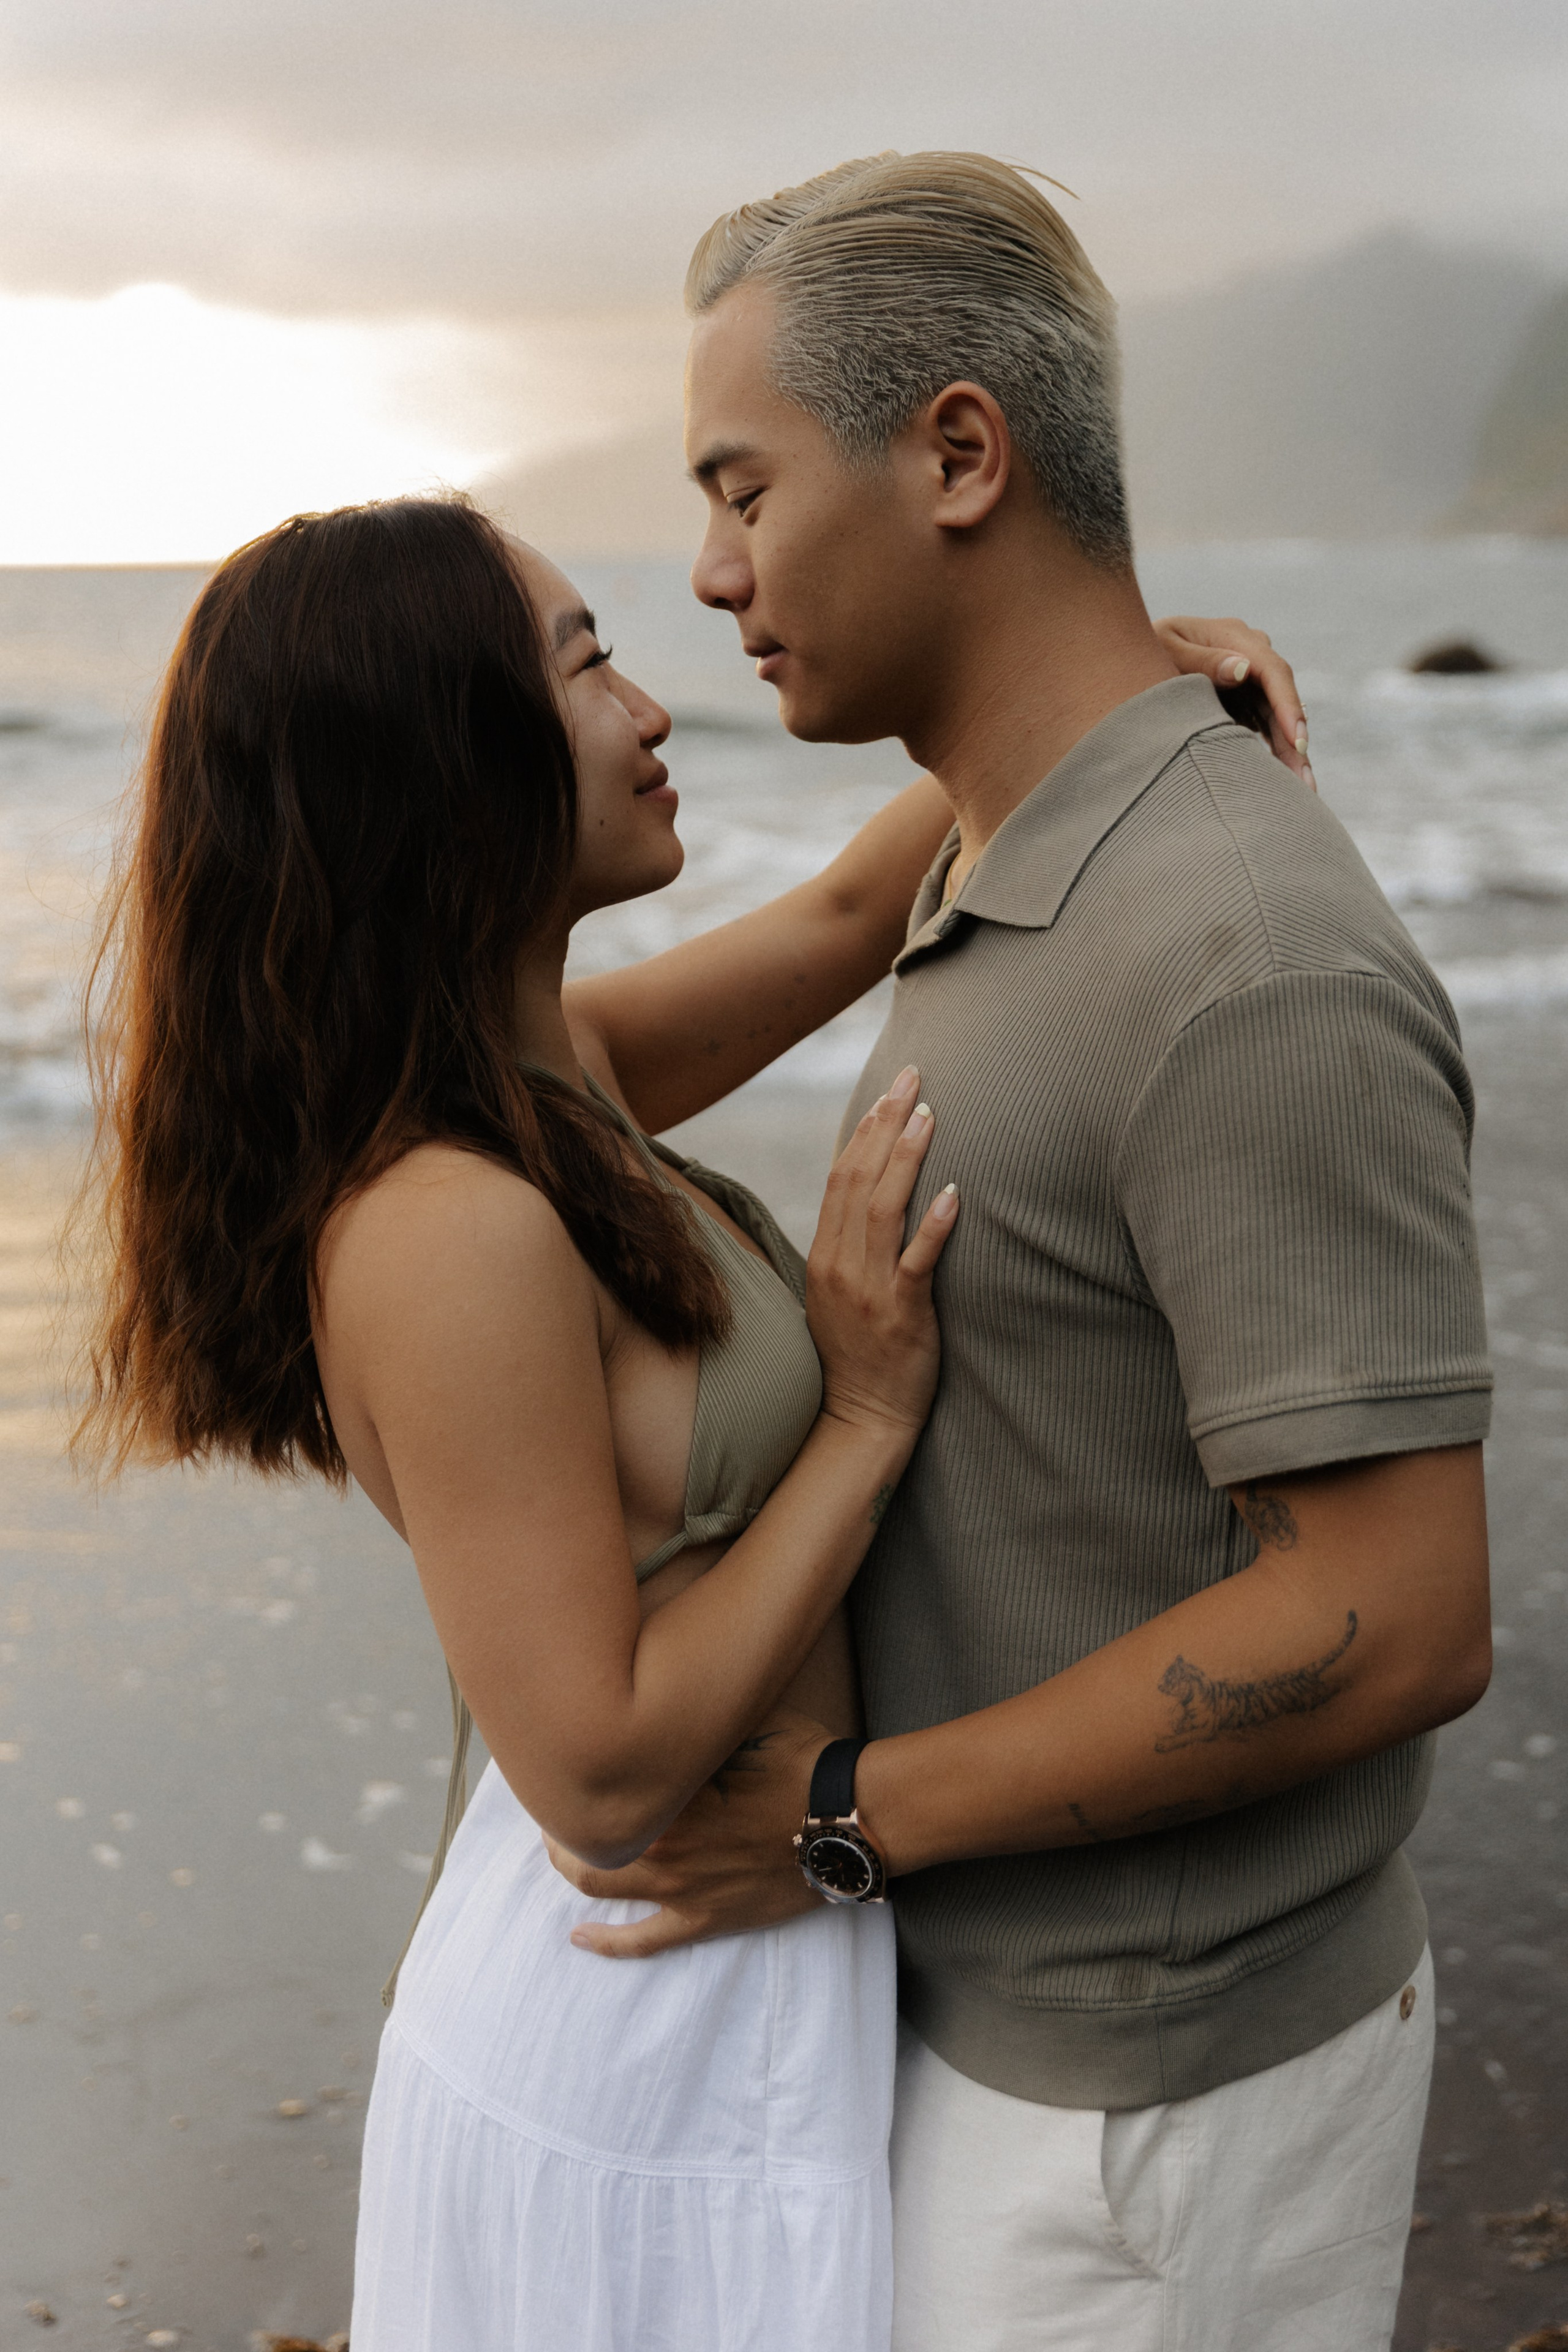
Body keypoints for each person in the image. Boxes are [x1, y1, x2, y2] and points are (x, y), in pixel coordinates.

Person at [74, 489, 1303, 2348]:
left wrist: (1112, 697)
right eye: (585, 668)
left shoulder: (547, 1078)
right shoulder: (446, 1222)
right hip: (637, 2011)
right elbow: (602, 1771)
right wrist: (866, 1414)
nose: (654, 707)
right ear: (447, 759)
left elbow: (836, 913)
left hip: (743, 1957)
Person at [542, 154, 1495, 2352]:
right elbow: (590, 1045)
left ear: (959, 452)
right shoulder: (1009, 851)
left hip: (1160, 2118)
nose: (708, 573)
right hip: (1014, 2042)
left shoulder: (1238, 952)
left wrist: (844, 1818)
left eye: (743, 487)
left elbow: (1396, 1608)